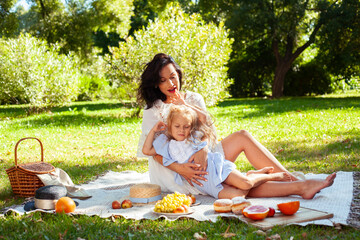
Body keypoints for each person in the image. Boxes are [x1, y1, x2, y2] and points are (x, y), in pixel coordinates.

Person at [137, 53, 336, 199]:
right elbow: (153, 152)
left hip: (203, 152)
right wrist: (182, 169)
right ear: (156, 84)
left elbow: (208, 129)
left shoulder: (193, 98)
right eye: (163, 80)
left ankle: (291, 179)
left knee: (242, 135)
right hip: (175, 168)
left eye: (173, 76)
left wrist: (204, 151)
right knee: (234, 186)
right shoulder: (153, 111)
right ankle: (300, 187)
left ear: (179, 74)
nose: (171, 83)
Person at [142, 104, 292, 199]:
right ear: (169, 126)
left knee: (245, 185)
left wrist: (186, 105)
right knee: (238, 194)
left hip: (215, 167)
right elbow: (147, 150)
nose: (182, 130)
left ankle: (272, 176)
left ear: (190, 127)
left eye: (186, 126)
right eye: (177, 126)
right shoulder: (166, 145)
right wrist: (154, 130)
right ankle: (252, 175)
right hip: (204, 183)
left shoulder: (193, 137)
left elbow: (206, 126)